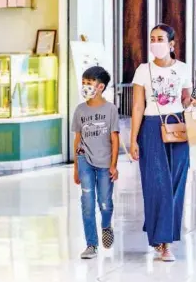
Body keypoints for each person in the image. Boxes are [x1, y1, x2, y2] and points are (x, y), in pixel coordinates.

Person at [130, 24, 193, 262]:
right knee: (156, 183)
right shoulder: (142, 70)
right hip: (151, 127)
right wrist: (133, 138)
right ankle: (162, 242)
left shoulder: (183, 69)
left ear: (172, 44)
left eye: (161, 39)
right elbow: (137, 106)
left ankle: (164, 237)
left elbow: (186, 97)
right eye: (152, 38)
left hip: (178, 126)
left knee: (176, 183)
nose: (155, 43)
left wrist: (193, 100)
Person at [72, 66, 120, 259]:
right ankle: (91, 244)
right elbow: (77, 139)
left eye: (89, 83)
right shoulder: (80, 110)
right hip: (84, 160)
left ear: (100, 87)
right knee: (87, 202)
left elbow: (115, 139)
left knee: (105, 202)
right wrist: (76, 166)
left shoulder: (110, 109)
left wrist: (114, 165)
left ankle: (106, 225)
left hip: (105, 162)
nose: (85, 87)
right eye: (83, 83)